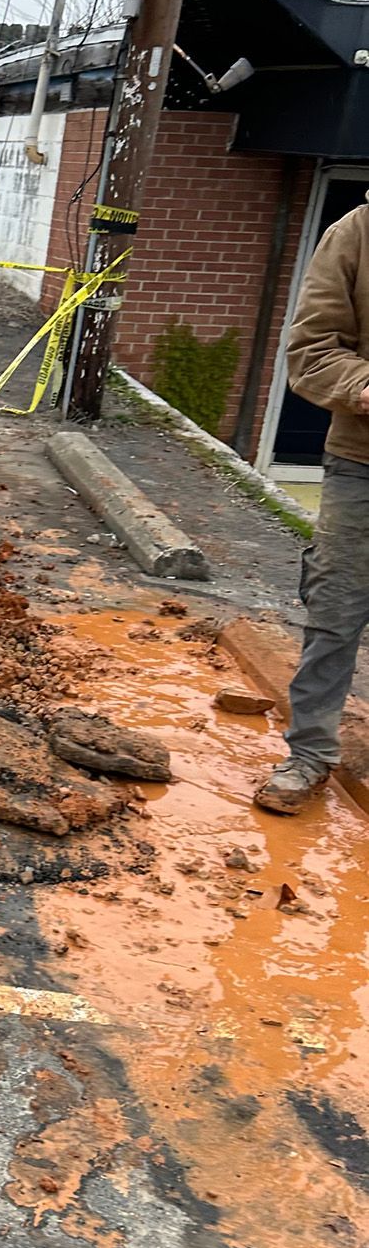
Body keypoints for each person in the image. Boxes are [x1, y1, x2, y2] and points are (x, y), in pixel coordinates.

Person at [255, 195, 369, 813]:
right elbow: (313, 349)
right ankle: (311, 754)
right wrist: (364, 386)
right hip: (363, 461)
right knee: (338, 608)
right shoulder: (357, 233)